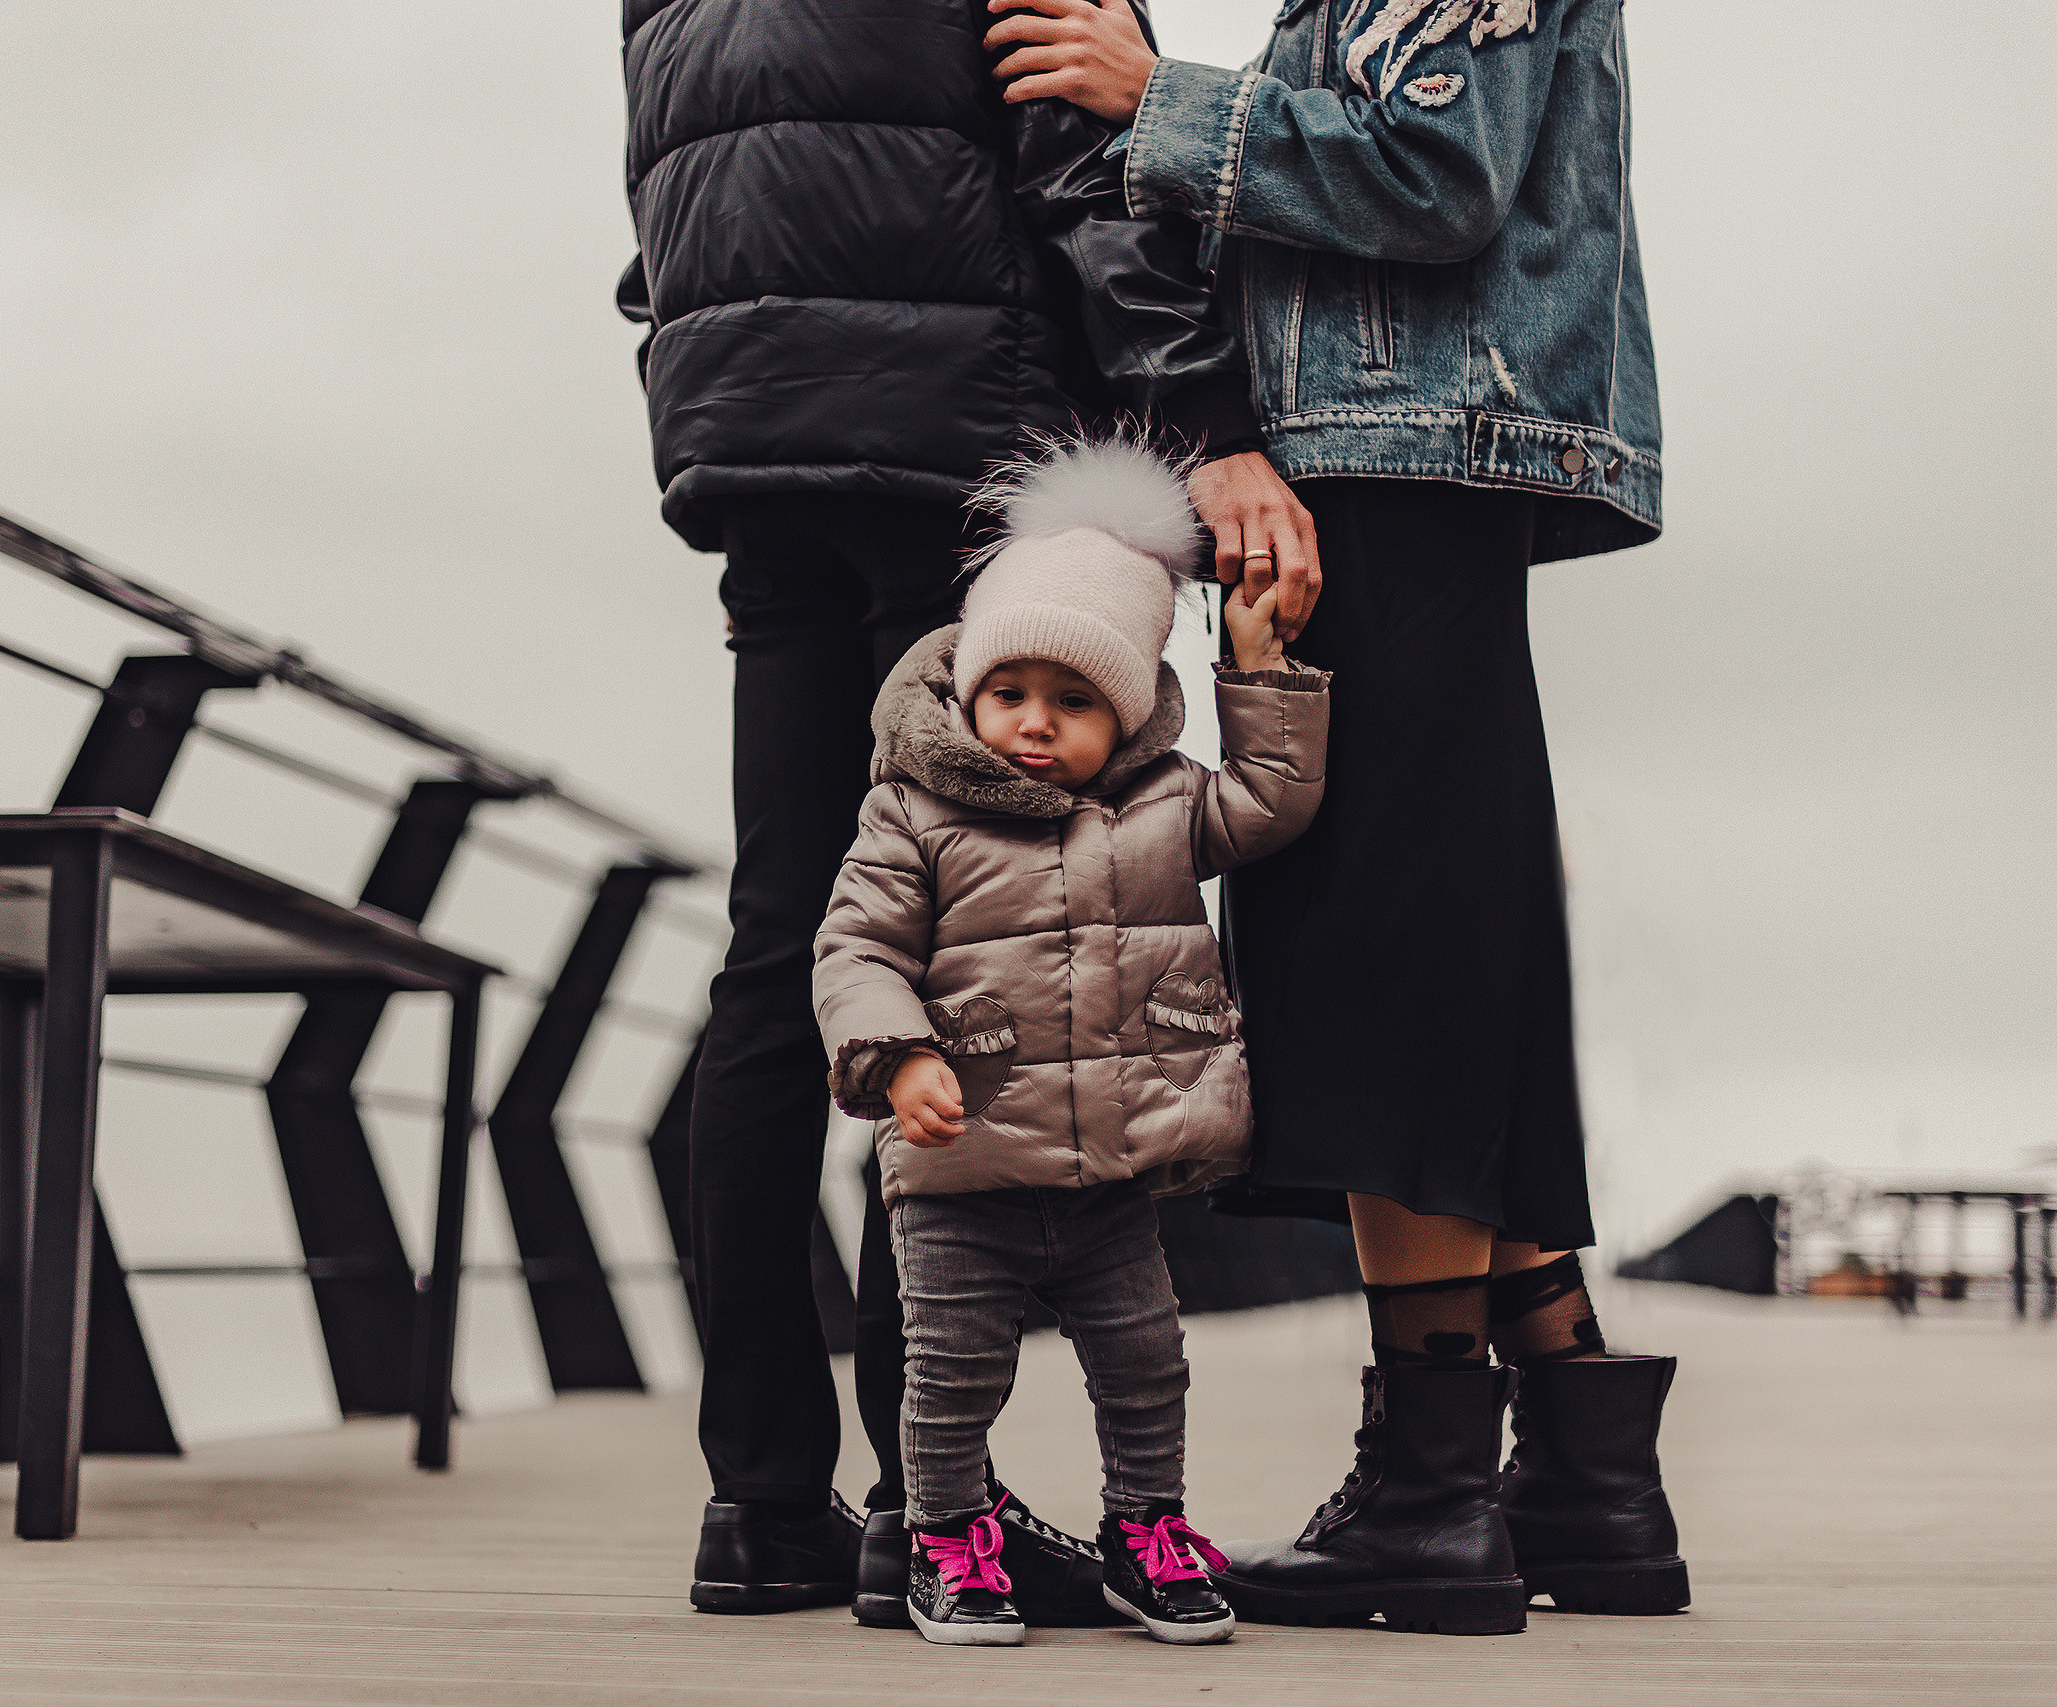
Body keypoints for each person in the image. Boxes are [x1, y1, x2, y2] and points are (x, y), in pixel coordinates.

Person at [982, 0, 1684, 1634]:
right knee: (1447, 941)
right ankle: (1587, 1483)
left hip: (1397, 452)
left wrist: (1163, 98)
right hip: (1410, 450)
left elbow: (1438, 173)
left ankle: (1436, 1500)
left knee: (1387, 955)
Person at [619, 0, 1270, 1625]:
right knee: (969, 944)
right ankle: (926, 1502)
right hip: (956, 450)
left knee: (780, 958)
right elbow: (1095, 177)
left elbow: (661, 234)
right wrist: (1211, 441)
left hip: (760, 462)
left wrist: (740, 440)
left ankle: (758, 1503)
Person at [813, 437, 1333, 1645]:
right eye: (1011, 695)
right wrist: (899, 1057)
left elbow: (1269, 802)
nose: (1034, 727)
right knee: (951, 1374)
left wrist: (1263, 675)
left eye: (1075, 702)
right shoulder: (913, 810)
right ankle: (947, 1541)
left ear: (1136, 710)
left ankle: (1145, 1530)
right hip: (961, 1169)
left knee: (1146, 1361)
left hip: (1113, 1175)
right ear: (966, 691)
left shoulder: (1155, 806)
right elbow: (854, 952)